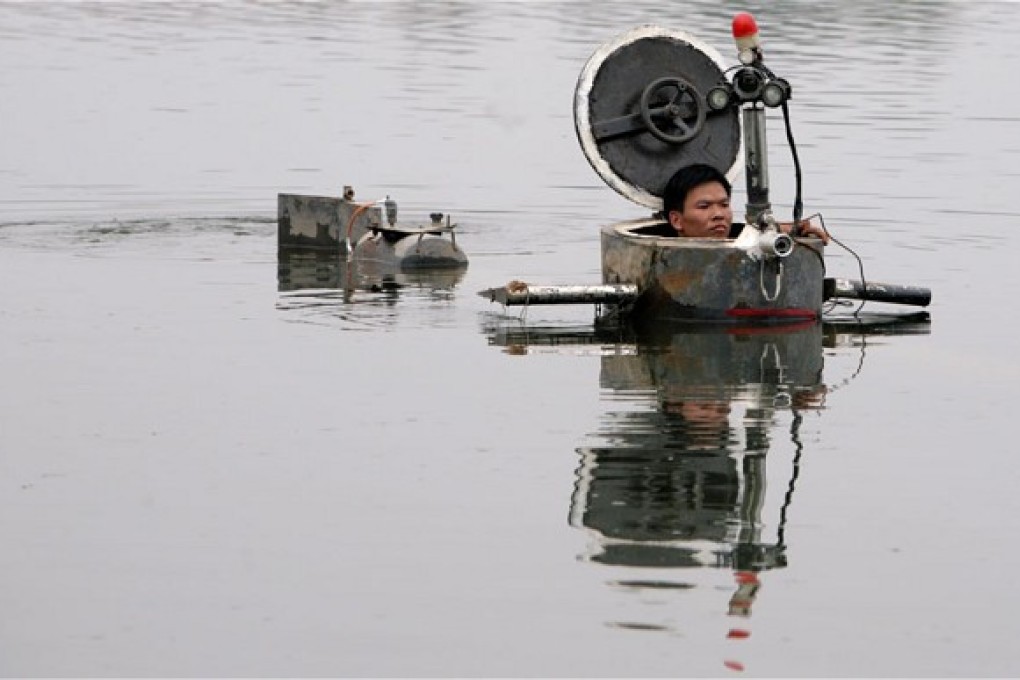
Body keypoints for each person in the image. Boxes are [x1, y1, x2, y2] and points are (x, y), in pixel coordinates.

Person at [662, 163, 829, 243]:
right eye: (704, 207)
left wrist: (796, 231)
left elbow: (749, 234)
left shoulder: (745, 245)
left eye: (724, 205)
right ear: (676, 220)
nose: (719, 214)